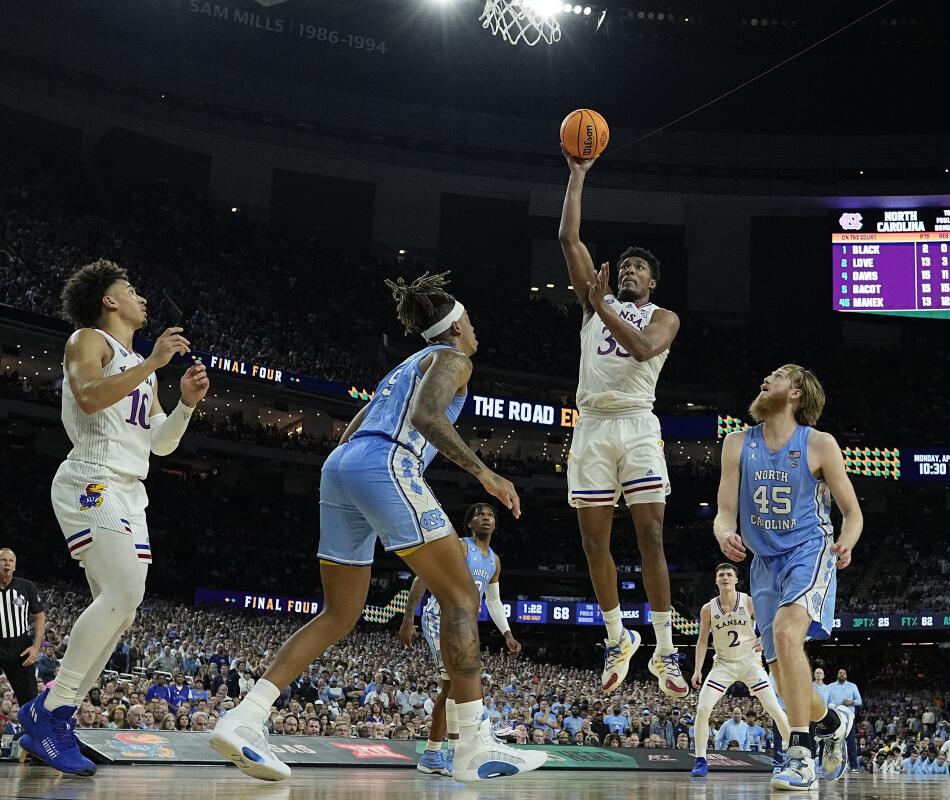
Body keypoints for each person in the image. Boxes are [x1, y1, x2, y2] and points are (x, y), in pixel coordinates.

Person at [210, 272, 545, 783]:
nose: (475, 332)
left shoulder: (403, 367)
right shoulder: (456, 359)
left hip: (342, 466)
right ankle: (475, 746)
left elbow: (353, 427)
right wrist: (486, 473)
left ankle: (245, 718)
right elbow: (430, 418)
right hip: (388, 462)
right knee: (460, 597)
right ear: (455, 327)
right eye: (470, 323)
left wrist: (355, 479)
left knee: (339, 613)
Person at [20, 260, 208, 776]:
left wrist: (185, 406)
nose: (140, 298)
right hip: (91, 476)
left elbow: (159, 444)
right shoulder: (89, 340)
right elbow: (88, 395)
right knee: (121, 592)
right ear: (109, 301)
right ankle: (50, 709)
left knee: (125, 608)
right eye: (130, 289)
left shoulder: (136, 368)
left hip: (130, 489)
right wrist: (153, 363)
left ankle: (58, 715)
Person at [558, 150, 686, 699]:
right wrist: (577, 176)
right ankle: (617, 638)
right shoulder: (593, 304)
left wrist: (601, 304)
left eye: (639, 269)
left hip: (636, 423)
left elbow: (639, 349)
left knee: (651, 534)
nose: (628, 270)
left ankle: (665, 649)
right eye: (624, 266)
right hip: (591, 426)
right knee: (593, 545)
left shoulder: (662, 317)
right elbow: (569, 240)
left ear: (651, 283)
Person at [713, 365, 862, 792]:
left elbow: (852, 513)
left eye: (776, 376)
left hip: (809, 551)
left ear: (795, 393)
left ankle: (800, 753)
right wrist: (724, 532)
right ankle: (834, 723)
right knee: (782, 677)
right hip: (763, 563)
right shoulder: (737, 443)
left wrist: (847, 542)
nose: (765, 378)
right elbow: (725, 509)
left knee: (785, 632)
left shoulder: (819, 443)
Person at [401, 502, 522, 777]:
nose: (486, 518)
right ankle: (446, 752)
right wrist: (409, 619)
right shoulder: (459, 546)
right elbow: (423, 576)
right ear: (470, 522)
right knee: (454, 685)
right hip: (438, 616)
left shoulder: (494, 560)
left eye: (491, 515)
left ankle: (442, 753)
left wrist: (507, 633)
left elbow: (493, 601)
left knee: (452, 689)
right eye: (480, 514)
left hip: (463, 624)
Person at [688, 563, 792, 777]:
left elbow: (769, 623)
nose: (725, 577)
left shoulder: (748, 602)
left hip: (750, 663)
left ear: (735, 580)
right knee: (702, 708)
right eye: (721, 575)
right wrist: (697, 670)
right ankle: (700, 760)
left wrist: (763, 640)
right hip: (723, 665)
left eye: (728, 574)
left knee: (773, 707)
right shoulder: (708, 608)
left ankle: (797, 756)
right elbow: (701, 641)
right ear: (716, 581)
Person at [0, 548, 45, 706]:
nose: (7, 563)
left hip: (20, 645)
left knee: (29, 697)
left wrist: (36, 647)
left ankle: (31, 730)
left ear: (15, 566)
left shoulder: (26, 587)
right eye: (3, 560)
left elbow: (39, 616)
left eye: (10, 561)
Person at [825, 668, 864, 771]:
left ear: (846, 675)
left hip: (848, 718)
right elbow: (826, 702)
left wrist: (851, 702)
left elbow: (859, 701)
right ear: (837, 675)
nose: (842, 674)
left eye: (844, 673)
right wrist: (833, 706)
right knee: (833, 742)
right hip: (835, 718)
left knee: (851, 742)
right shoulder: (830, 686)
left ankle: (854, 766)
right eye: (840, 673)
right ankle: (833, 766)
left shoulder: (852, 686)